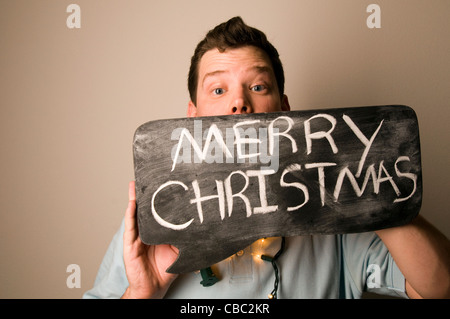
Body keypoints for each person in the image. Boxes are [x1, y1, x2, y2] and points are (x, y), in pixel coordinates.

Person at [83, 16, 450, 299]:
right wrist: (141, 293)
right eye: (218, 88)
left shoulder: (339, 209)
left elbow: (437, 288)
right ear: (191, 118)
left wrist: (370, 184)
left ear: (284, 110)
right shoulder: (156, 221)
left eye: (258, 86)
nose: (239, 102)